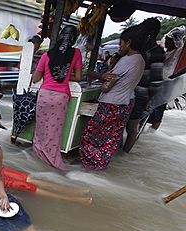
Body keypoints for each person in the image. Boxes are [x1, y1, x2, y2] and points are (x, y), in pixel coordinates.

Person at [80, 25, 145, 171]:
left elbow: (106, 86)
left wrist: (95, 76)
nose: (120, 47)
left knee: (92, 136)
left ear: (128, 42)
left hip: (111, 104)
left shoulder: (126, 60)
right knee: (110, 138)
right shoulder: (140, 60)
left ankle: (89, 166)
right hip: (126, 103)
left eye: (121, 43)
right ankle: (100, 166)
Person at [31, 25, 82, 170]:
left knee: (40, 130)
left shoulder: (47, 55)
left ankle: (38, 161)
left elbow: (35, 79)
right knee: (54, 132)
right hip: (61, 98)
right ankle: (53, 163)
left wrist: (47, 71)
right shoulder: (76, 53)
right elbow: (78, 77)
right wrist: (66, 74)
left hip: (44, 96)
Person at [123, 18, 165, 153]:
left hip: (139, 93)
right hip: (129, 91)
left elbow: (156, 79)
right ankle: (120, 154)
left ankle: (123, 155)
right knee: (126, 125)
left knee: (131, 126)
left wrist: (149, 99)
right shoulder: (140, 48)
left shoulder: (156, 51)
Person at [148, 26, 186, 130]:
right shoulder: (168, 51)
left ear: (175, 41)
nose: (166, 42)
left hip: (167, 84)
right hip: (157, 81)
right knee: (150, 108)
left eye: (169, 40)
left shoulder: (180, 52)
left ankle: (151, 133)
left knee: (158, 109)